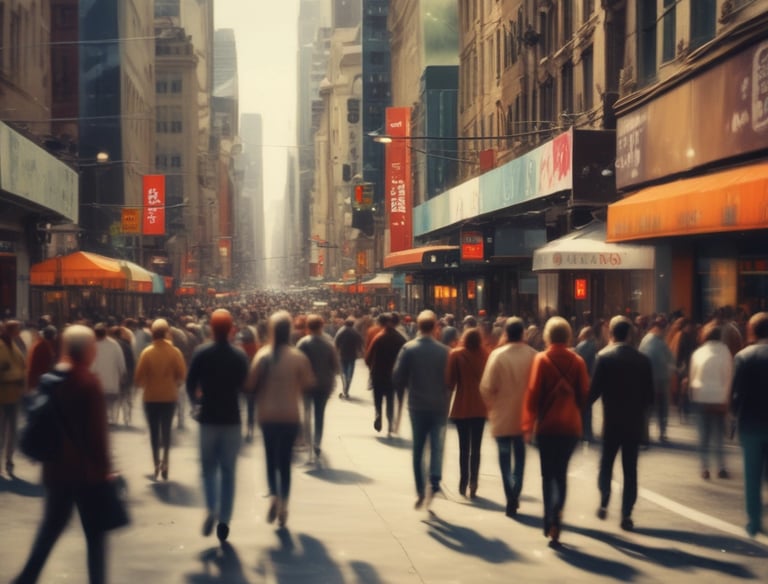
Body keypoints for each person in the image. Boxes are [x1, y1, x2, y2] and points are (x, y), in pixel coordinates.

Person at [13, 325, 112, 584]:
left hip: (55, 469)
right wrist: (104, 469)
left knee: (50, 530)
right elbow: (97, 434)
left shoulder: (52, 380)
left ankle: (26, 578)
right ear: (87, 351)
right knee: (95, 536)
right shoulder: (87, 382)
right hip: (86, 473)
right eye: (93, 347)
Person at [186, 309, 249, 543]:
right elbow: (246, 386)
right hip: (231, 419)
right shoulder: (238, 355)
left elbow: (190, 383)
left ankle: (211, 506)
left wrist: (196, 403)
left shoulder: (202, 353)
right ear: (231, 329)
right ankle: (224, 520)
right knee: (229, 472)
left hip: (208, 418)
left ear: (211, 329)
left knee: (208, 469)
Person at [524, 316, 589, 544]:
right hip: (570, 426)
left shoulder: (542, 360)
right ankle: (558, 515)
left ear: (548, 336)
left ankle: (548, 518)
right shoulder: (578, 361)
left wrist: (527, 425)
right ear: (568, 335)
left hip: (547, 426)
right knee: (561, 474)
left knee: (547, 475)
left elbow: (533, 395)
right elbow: (584, 395)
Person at [247, 311, 315, 528]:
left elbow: (250, 384)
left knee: (270, 459)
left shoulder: (263, 355)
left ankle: (274, 496)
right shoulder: (297, 357)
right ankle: (284, 505)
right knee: (285, 463)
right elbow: (308, 383)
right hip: (290, 416)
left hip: (267, 415)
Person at [589, 316, 654, 531]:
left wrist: (579, 407)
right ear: (630, 335)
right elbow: (650, 396)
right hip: (634, 422)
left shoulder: (603, 357)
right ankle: (626, 513)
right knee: (630, 469)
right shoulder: (643, 360)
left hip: (611, 421)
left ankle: (604, 498)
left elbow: (594, 392)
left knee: (606, 463)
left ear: (611, 334)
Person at [479, 317, 537, 517]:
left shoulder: (497, 356)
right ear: (522, 333)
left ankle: (510, 494)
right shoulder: (533, 355)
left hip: (502, 417)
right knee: (520, 458)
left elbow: (486, 387)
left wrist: (492, 407)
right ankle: (516, 490)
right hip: (524, 418)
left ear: (506, 333)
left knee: (504, 459)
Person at [392, 310, 450, 509]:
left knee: (418, 448)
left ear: (418, 326)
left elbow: (397, 376)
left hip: (417, 405)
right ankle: (434, 481)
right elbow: (450, 379)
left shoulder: (409, 348)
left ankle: (420, 489)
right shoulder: (444, 351)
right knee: (437, 446)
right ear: (435, 327)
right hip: (439, 405)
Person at [134, 319, 187, 481]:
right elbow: (182, 374)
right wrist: (173, 383)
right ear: (166, 332)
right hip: (169, 396)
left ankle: (156, 463)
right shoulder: (175, 352)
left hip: (151, 397)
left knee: (154, 432)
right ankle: (166, 462)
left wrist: (147, 383)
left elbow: (138, 378)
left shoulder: (147, 352)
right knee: (166, 431)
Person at [730, 312, 768, 537]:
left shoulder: (743, 357)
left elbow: (737, 394)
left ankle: (754, 522)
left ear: (752, 331)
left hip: (750, 423)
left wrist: (734, 416)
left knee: (752, 477)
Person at [446, 327, 488, 498]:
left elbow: (450, 382)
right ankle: (474, 481)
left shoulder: (456, 354)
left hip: (462, 406)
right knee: (476, 447)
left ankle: (463, 481)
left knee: (464, 447)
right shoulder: (486, 355)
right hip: (480, 407)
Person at [688, 322, 732, 480]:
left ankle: (704, 468)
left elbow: (692, 375)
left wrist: (692, 395)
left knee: (703, 435)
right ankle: (721, 467)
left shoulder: (698, 353)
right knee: (718, 435)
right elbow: (728, 376)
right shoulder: (725, 352)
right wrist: (727, 398)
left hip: (701, 397)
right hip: (719, 397)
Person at [297, 314, 340, 458]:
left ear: (308, 327)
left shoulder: (303, 343)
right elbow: (336, 366)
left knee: (306, 411)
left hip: (306, 384)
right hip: (324, 384)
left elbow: (297, 364)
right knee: (319, 414)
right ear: (322, 326)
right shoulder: (328, 343)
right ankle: (317, 442)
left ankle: (308, 442)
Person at [365, 313, 406, 436]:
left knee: (377, 397)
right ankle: (390, 422)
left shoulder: (379, 337)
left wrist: (371, 367)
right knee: (390, 399)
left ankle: (378, 414)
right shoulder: (401, 339)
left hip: (378, 373)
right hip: (393, 375)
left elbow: (368, 357)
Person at [639, 316, 675, 444]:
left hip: (648, 379)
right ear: (658, 328)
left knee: (648, 408)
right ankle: (661, 432)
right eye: (664, 329)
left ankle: (645, 433)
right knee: (661, 407)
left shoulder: (645, 340)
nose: (665, 332)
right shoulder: (660, 342)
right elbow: (670, 358)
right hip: (660, 379)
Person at [0, 320, 26, 476]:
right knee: (1, 431)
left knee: (13, 431)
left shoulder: (15, 346)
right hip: (2, 395)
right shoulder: (2, 346)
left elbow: (22, 365)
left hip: (15, 395)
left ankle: (9, 460)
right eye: (17, 329)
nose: (19, 331)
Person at [90, 323, 126, 424]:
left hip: (97, 383)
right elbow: (121, 362)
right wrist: (123, 374)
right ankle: (109, 418)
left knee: (99, 405)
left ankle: (103, 419)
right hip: (111, 383)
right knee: (109, 404)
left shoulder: (92, 345)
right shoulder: (114, 345)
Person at [574, 326, 598, 442]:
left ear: (584, 335)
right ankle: (588, 432)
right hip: (589, 378)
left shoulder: (582, 346)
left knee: (582, 406)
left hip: (582, 378)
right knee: (587, 407)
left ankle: (582, 432)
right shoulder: (593, 345)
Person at [334, 317, 363, 399]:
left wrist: (336, 351)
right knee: (350, 373)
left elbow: (336, 342)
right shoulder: (355, 332)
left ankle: (344, 388)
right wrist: (360, 351)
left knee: (343, 372)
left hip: (342, 354)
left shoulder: (340, 331)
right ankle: (346, 390)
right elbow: (360, 342)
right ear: (352, 324)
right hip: (352, 355)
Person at [26, 325, 59, 391]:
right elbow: (45, 365)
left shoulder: (40, 343)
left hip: (36, 379)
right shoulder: (42, 345)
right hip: (38, 380)